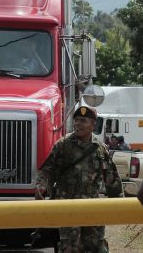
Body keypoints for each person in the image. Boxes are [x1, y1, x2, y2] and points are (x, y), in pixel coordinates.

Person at [35, 106, 123, 253]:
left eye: (83, 121)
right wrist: (41, 186)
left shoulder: (100, 148)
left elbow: (112, 177)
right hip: (67, 206)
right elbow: (47, 169)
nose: (78, 124)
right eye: (76, 120)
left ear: (93, 124)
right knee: (70, 248)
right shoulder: (63, 145)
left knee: (95, 246)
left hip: (92, 206)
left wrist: (120, 204)